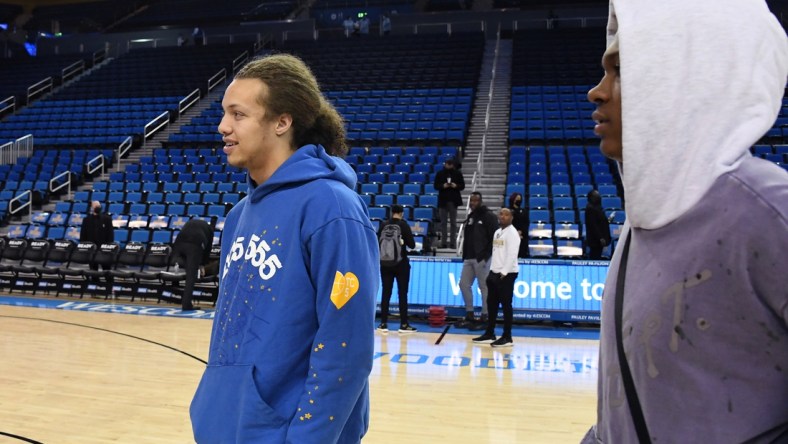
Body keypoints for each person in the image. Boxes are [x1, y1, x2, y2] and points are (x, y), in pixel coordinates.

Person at [582, 1, 788, 443]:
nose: (597, 92)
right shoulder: (637, 230)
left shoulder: (772, 213)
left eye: (621, 71)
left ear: (683, 77)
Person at [190, 54, 379, 443]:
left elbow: (347, 348)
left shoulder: (332, 208)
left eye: (238, 115)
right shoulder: (239, 214)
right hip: (228, 426)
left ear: (282, 121)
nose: (223, 127)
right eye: (224, 113)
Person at [472, 208, 521, 347]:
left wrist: (503, 273)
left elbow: (512, 255)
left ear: (511, 217)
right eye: (501, 214)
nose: (503, 216)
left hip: (507, 274)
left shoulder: (512, 233)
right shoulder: (497, 232)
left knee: (506, 306)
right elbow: (496, 253)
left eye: (506, 214)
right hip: (494, 272)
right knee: (491, 305)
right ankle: (490, 333)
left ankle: (507, 337)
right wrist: (492, 272)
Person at [456, 192, 498, 330]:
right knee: (463, 284)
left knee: (484, 287)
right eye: (471, 201)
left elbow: (495, 237)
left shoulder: (488, 216)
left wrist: (486, 256)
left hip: (481, 258)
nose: (473, 203)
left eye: (475, 201)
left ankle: (485, 316)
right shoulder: (470, 217)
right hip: (469, 257)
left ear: (480, 201)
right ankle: (470, 314)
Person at [376, 204, 417, 335]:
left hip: (385, 264)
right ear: (402, 213)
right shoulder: (403, 225)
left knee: (386, 293)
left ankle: (383, 324)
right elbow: (412, 245)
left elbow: (377, 242)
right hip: (401, 264)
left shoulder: (383, 225)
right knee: (402, 293)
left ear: (391, 212)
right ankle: (403, 325)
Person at [170, 218, 214, 311]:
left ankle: (174, 291)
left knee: (179, 263)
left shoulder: (191, 222)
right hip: (195, 244)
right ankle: (186, 305)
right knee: (191, 275)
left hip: (180, 241)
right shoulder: (209, 229)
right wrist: (202, 264)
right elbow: (207, 249)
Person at [433, 157, 465, 249]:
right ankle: (443, 243)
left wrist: (456, 186)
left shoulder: (458, 174)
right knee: (443, 223)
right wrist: (443, 186)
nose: (449, 166)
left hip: (453, 201)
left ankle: (453, 243)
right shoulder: (440, 174)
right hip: (443, 200)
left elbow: (462, 186)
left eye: (450, 164)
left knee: (453, 223)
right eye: (448, 164)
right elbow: (436, 186)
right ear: (445, 164)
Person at [79, 200, 114, 274]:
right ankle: (94, 284)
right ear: (91, 208)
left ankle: (108, 285)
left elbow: (110, 234)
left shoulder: (107, 219)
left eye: (98, 206)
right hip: (91, 248)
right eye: (95, 206)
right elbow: (83, 234)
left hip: (104, 248)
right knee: (93, 270)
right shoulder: (86, 220)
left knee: (107, 269)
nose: (97, 207)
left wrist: (108, 247)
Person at [583, 189, 610, 260]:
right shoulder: (590, 208)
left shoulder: (598, 207)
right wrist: (600, 237)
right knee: (594, 258)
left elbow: (600, 221)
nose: (599, 197)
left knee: (597, 256)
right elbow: (593, 225)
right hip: (595, 240)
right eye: (597, 195)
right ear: (592, 197)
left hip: (599, 239)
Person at [508, 192, 527, 258]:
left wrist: (521, 232)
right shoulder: (507, 211)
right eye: (517, 199)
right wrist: (515, 233)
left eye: (520, 199)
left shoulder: (523, 211)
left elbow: (526, 223)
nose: (518, 201)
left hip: (521, 236)